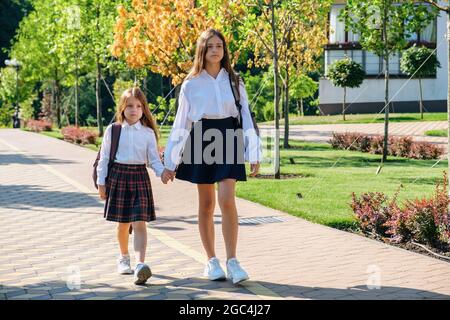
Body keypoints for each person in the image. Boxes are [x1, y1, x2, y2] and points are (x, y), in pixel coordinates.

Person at [161, 28, 262, 284]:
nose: (215, 50)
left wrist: (254, 152)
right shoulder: (191, 83)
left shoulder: (235, 81)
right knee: (206, 204)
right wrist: (171, 162)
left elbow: (246, 116)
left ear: (224, 50)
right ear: (202, 51)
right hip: (201, 136)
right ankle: (211, 261)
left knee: (227, 199)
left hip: (229, 136)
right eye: (210, 46)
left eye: (219, 45)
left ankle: (233, 262)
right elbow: (181, 122)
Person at [97, 87, 173, 285]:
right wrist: (101, 183)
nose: (134, 109)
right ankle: (123, 257)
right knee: (123, 224)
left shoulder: (147, 133)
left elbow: (154, 160)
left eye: (139, 106)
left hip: (140, 177)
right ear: (122, 108)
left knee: (140, 222)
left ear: (144, 109)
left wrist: (162, 172)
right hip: (119, 177)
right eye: (129, 105)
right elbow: (104, 158)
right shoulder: (113, 130)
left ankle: (140, 264)